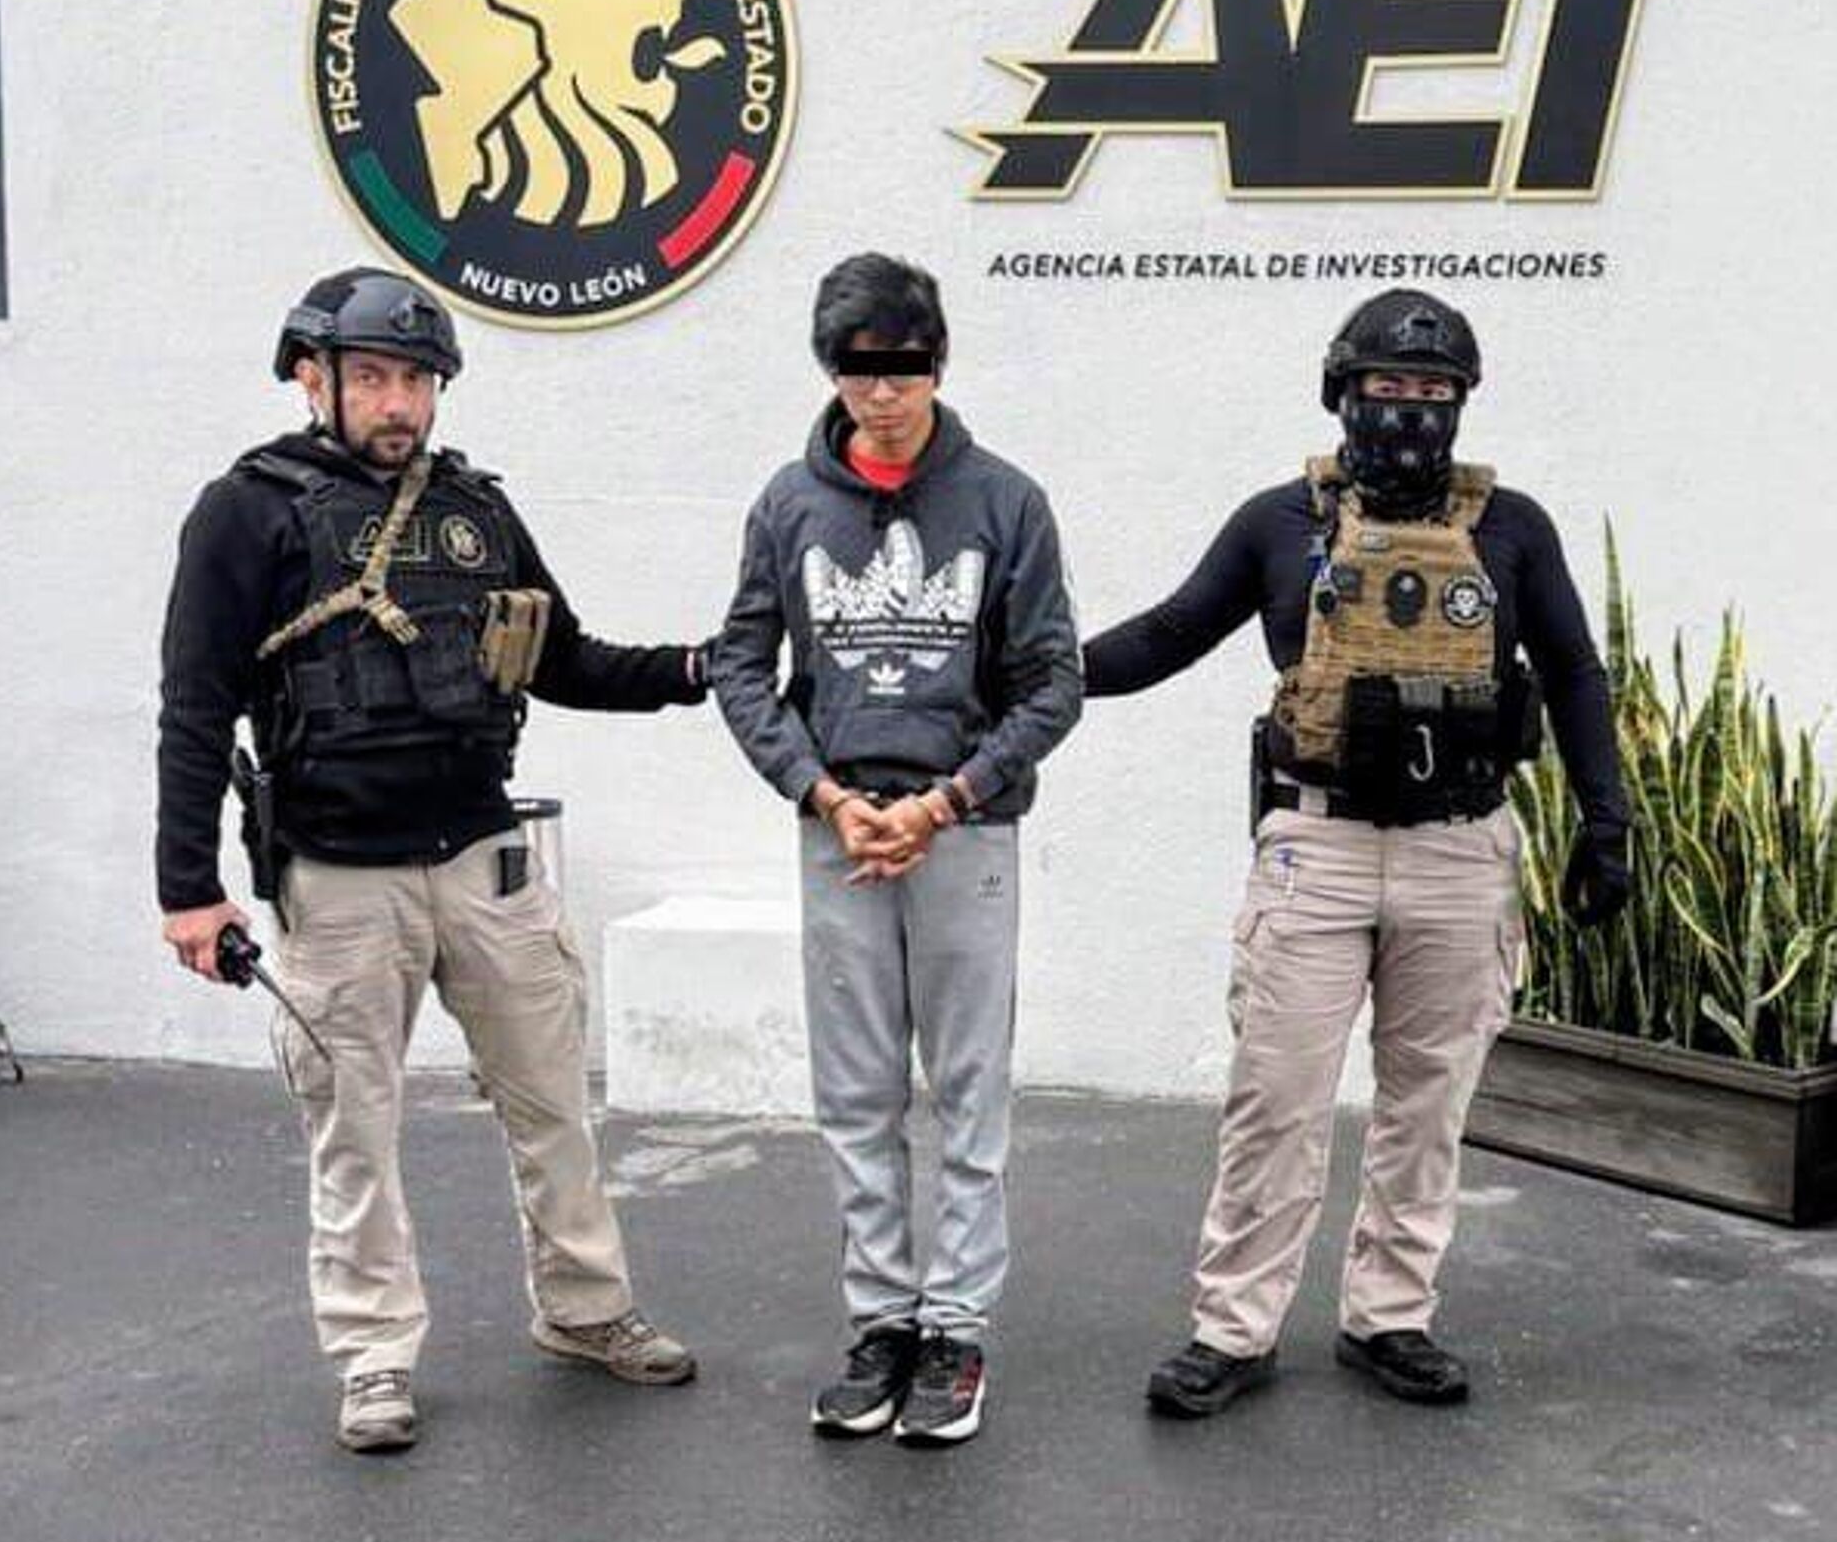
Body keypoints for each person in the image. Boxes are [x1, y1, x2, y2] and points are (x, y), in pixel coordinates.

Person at [157, 266, 704, 1452]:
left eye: (416, 378)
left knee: (551, 1099)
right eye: (372, 376)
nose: (398, 401)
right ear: (313, 378)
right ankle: (373, 1356)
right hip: (339, 875)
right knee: (353, 1129)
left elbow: (569, 659)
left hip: (482, 857)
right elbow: (195, 706)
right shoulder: (246, 511)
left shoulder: (474, 511)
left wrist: (697, 669)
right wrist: (187, 888)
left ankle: (586, 1307)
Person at [1083, 289, 1631, 1418]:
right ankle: (1233, 1328)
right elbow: (1166, 635)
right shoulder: (1277, 522)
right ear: (1341, 394)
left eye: (1434, 392)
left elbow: (1575, 671)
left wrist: (1606, 819)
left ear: (1462, 404)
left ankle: (1390, 1316)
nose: (1410, 411)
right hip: (1317, 846)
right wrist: (1026, 675)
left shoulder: (1514, 528)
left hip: (1459, 851)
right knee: (1276, 1100)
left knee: (1427, 1104)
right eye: (1388, 387)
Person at [709, 253, 1081, 1446]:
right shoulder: (788, 504)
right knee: (856, 1092)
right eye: (859, 369)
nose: (883, 392)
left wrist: (950, 798)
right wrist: (819, 792)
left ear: (939, 362)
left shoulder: (1006, 501)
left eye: (904, 368)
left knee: (969, 1091)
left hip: (962, 832)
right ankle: (882, 1322)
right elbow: (740, 664)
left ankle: (956, 1329)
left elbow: (1054, 681)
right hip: (840, 833)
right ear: (830, 369)